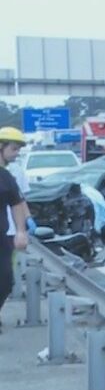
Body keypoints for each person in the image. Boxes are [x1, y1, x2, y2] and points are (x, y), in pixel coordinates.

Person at [0, 127, 29, 329]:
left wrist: (21, 231)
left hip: (2, 238)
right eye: (14, 148)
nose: (17, 153)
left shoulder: (6, 177)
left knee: (5, 280)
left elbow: (17, 203)